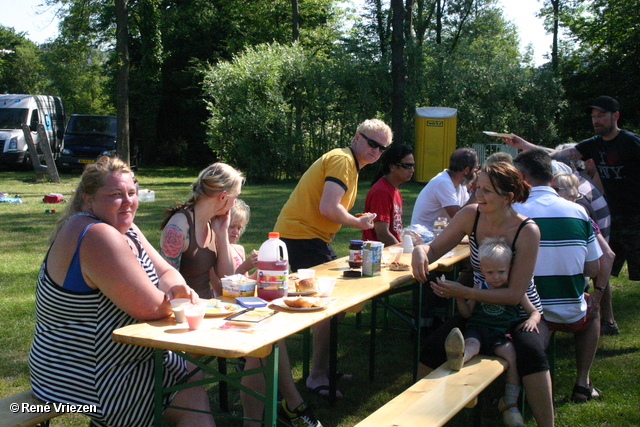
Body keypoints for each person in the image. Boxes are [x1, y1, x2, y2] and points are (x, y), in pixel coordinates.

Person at [29, 156, 215, 427]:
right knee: (188, 392)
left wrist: (176, 287)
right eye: (116, 194)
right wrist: (176, 298)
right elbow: (151, 308)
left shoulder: (123, 226)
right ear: (88, 199)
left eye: (132, 193)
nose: (128, 201)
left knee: (190, 376)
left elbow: (166, 272)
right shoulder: (97, 235)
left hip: (120, 358)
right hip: (82, 371)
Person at [161, 168, 322, 427]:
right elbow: (163, 282)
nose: (236, 202)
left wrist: (222, 233)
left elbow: (227, 279)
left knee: (269, 335)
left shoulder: (213, 223)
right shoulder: (179, 226)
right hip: (186, 320)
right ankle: (284, 410)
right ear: (223, 197)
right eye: (235, 196)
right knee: (261, 344)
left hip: (213, 310)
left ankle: (284, 408)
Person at [412, 162, 555, 427]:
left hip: (522, 313)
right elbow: (434, 250)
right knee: (433, 345)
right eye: (478, 187)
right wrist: (421, 251)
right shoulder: (471, 216)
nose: (478, 195)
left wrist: (462, 291)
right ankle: (414, 416)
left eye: (487, 190)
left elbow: (514, 295)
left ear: (508, 197)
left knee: (530, 352)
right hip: (479, 310)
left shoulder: (527, 231)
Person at [274, 118, 392, 397]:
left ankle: (322, 368)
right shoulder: (342, 160)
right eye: (371, 143)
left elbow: (331, 207)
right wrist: (359, 223)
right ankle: (316, 377)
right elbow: (328, 207)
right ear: (356, 137)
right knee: (326, 304)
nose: (376, 150)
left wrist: (354, 219)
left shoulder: (349, 164)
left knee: (334, 304)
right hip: (302, 236)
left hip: (307, 237)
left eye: (382, 148)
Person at [503, 96, 640, 285]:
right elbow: (560, 154)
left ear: (616, 116)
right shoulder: (595, 143)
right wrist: (525, 146)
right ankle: (602, 311)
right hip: (613, 213)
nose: (596, 120)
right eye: (593, 116)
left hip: (635, 215)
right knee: (604, 263)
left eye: (601, 116)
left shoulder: (631, 142)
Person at [512, 150, 603, 403]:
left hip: (525, 313)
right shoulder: (578, 212)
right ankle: (582, 382)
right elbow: (593, 269)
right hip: (570, 311)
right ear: (551, 178)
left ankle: (515, 387)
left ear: (521, 176)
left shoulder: (513, 211)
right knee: (591, 309)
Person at [444, 237, 540, 427]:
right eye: (490, 272)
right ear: (482, 271)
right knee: (472, 345)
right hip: (478, 329)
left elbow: (534, 311)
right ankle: (459, 357)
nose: (496, 277)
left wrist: (532, 320)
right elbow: (468, 314)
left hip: (500, 333)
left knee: (511, 355)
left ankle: (510, 400)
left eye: (501, 272)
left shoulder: (515, 290)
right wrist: (461, 300)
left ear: (510, 268)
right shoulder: (480, 287)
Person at [410, 147, 478, 231]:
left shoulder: (460, 184)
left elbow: (468, 212)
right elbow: (458, 217)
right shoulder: (443, 182)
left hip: (437, 233)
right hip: (424, 236)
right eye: (475, 168)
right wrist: (477, 191)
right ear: (467, 170)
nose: (475, 172)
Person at [362, 143, 414, 245]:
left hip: (390, 252)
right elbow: (382, 233)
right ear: (393, 167)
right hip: (377, 254)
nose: (412, 170)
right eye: (407, 166)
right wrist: (402, 251)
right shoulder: (381, 191)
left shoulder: (394, 190)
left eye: (413, 165)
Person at [228, 199, 258, 278]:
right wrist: (244, 267)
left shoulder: (239, 250)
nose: (236, 231)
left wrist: (262, 268)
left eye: (239, 228)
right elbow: (222, 287)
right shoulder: (213, 252)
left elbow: (245, 281)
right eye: (231, 226)